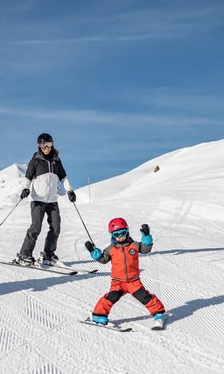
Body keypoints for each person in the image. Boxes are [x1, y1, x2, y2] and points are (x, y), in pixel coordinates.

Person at [84, 217, 166, 326]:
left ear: (127, 232)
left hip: (134, 281)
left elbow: (146, 249)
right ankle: (98, 316)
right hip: (118, 282)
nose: (120, 237)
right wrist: (94, 252)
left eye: (123, 233)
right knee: (111, 297)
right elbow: (103, 259)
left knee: (145, 297)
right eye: (116, 235)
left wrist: (146, 236)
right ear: (112, 235)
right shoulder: (111, 249)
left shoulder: (134, 245)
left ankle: (158, 314)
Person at [15, 132, 76, 267]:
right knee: (36, 227)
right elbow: (27, 177)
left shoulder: (56, 161)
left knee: (56, 227)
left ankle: (48, 255)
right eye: (44, 145)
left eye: (49, 144)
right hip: (38, 199)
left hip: (52, 200)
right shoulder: (36, 160)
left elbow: (63, 177)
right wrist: (25, 188)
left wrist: (70, 190)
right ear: (39, 146)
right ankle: (25, 254)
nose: (47, 148)